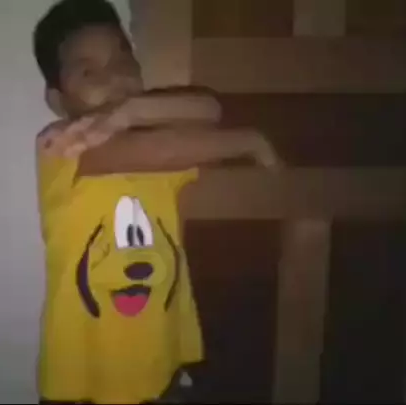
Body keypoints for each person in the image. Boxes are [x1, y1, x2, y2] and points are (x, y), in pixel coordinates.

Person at [33, 0, 281, 403]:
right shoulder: (63, 148)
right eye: (89, 72)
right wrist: (247, 141)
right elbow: (161, 149)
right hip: (81, 379)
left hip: (158, 367)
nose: (115, 76)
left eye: (123, 60)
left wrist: (130, 111)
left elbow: (209, 109)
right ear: (59, 101)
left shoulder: (159, 158)